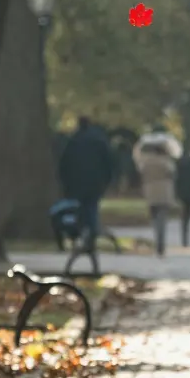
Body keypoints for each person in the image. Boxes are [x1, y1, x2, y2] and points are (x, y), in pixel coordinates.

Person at [58, 117, 117, 275]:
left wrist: (66, 185)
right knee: (91, 209)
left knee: (81, 211)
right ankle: (90, 235)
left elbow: (64, 164)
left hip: (77, 185)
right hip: (95, 185)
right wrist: (107, 181)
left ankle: (84, 235)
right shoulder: (99, 141)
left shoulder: (73, 141)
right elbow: (109, 163)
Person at [133, 125, 182, 257]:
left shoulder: (145, 161)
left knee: (155, 218)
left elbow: (141, 172)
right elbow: (173, 173)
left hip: (150, 191)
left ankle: (158, 241)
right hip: (164, 192)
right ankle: (161, 244)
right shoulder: (166, 161)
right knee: (162, 219)